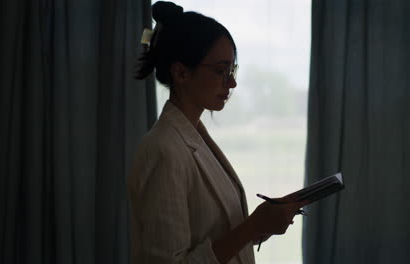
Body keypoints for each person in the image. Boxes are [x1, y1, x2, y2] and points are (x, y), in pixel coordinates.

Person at [127, 1, 309, 263]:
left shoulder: (193, 136)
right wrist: (252, 227)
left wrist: (264, 223)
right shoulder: (163, 149)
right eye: (221, 71)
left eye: (232, 70)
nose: (232, 82)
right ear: (181, 72)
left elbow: (211, 234)